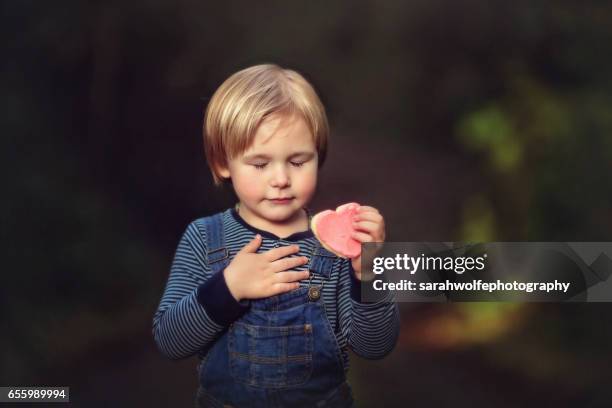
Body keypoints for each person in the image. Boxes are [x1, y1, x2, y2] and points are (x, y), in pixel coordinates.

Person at [152, 63, 400, 408]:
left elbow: (376, 346)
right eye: (259, 164)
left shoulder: (338, 246)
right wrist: (228, 287)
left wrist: (368, 272)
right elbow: (170, 340)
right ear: (224, 163)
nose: (281, 178)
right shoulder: (203, 238)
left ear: (318, 157)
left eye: (298, 162)